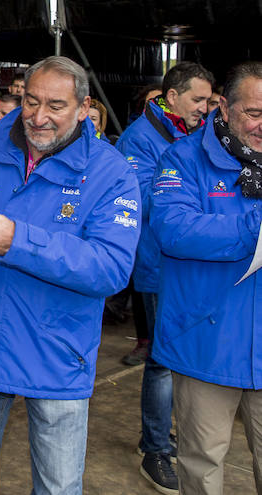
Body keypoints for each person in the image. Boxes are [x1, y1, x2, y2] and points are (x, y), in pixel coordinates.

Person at [0, 55, 140, 495]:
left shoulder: (112, 173)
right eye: (31, 101)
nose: (38, 116)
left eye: (55, 106)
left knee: (57, 485)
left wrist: (19, 241)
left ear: (83, 106)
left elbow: (111, 266)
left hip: (57, 352)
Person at [150, 61, 262, 495]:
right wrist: (255, 228)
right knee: (202, 466)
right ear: (224, 106)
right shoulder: (184, 157)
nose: (261, 125)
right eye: (253, 113)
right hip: (205, 341)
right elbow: (172, 228)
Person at [115, 61, 213, 493]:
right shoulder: (140, 138)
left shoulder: (190, 133)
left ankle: (158, 434)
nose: (205, 109)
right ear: (171, 97)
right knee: (161, 362)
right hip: (159, 265)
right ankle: (155, 448)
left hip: (189, 265)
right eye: (198, 100)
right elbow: (149, 205)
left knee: (175, 360)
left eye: (210, 102)